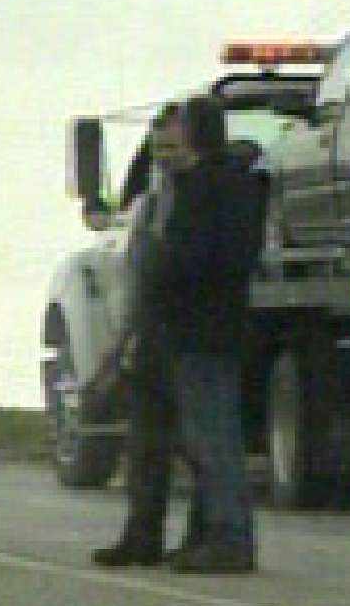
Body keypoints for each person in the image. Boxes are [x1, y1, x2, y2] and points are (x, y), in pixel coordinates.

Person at [153, 95, 266, 573]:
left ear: (195, 131)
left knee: (213, 438)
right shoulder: (240, 184)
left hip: (200, 326)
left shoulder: (203, 188)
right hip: (223, 323)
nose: (170, 134)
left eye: (177, 125)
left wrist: (164, 268)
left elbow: (192, 258)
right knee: (211, 436)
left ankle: (228, 537)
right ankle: (206, 533)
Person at [91, 103, 199, 568]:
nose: (165, 157)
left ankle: (201, 537)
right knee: (145, 445)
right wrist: (121, 344)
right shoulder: (152, 197)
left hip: (187, 334)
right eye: (158, 150)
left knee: (196, 446)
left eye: (173, 147)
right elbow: (138, 272)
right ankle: (141, 535)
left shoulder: (199, 194)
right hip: (149, 331)